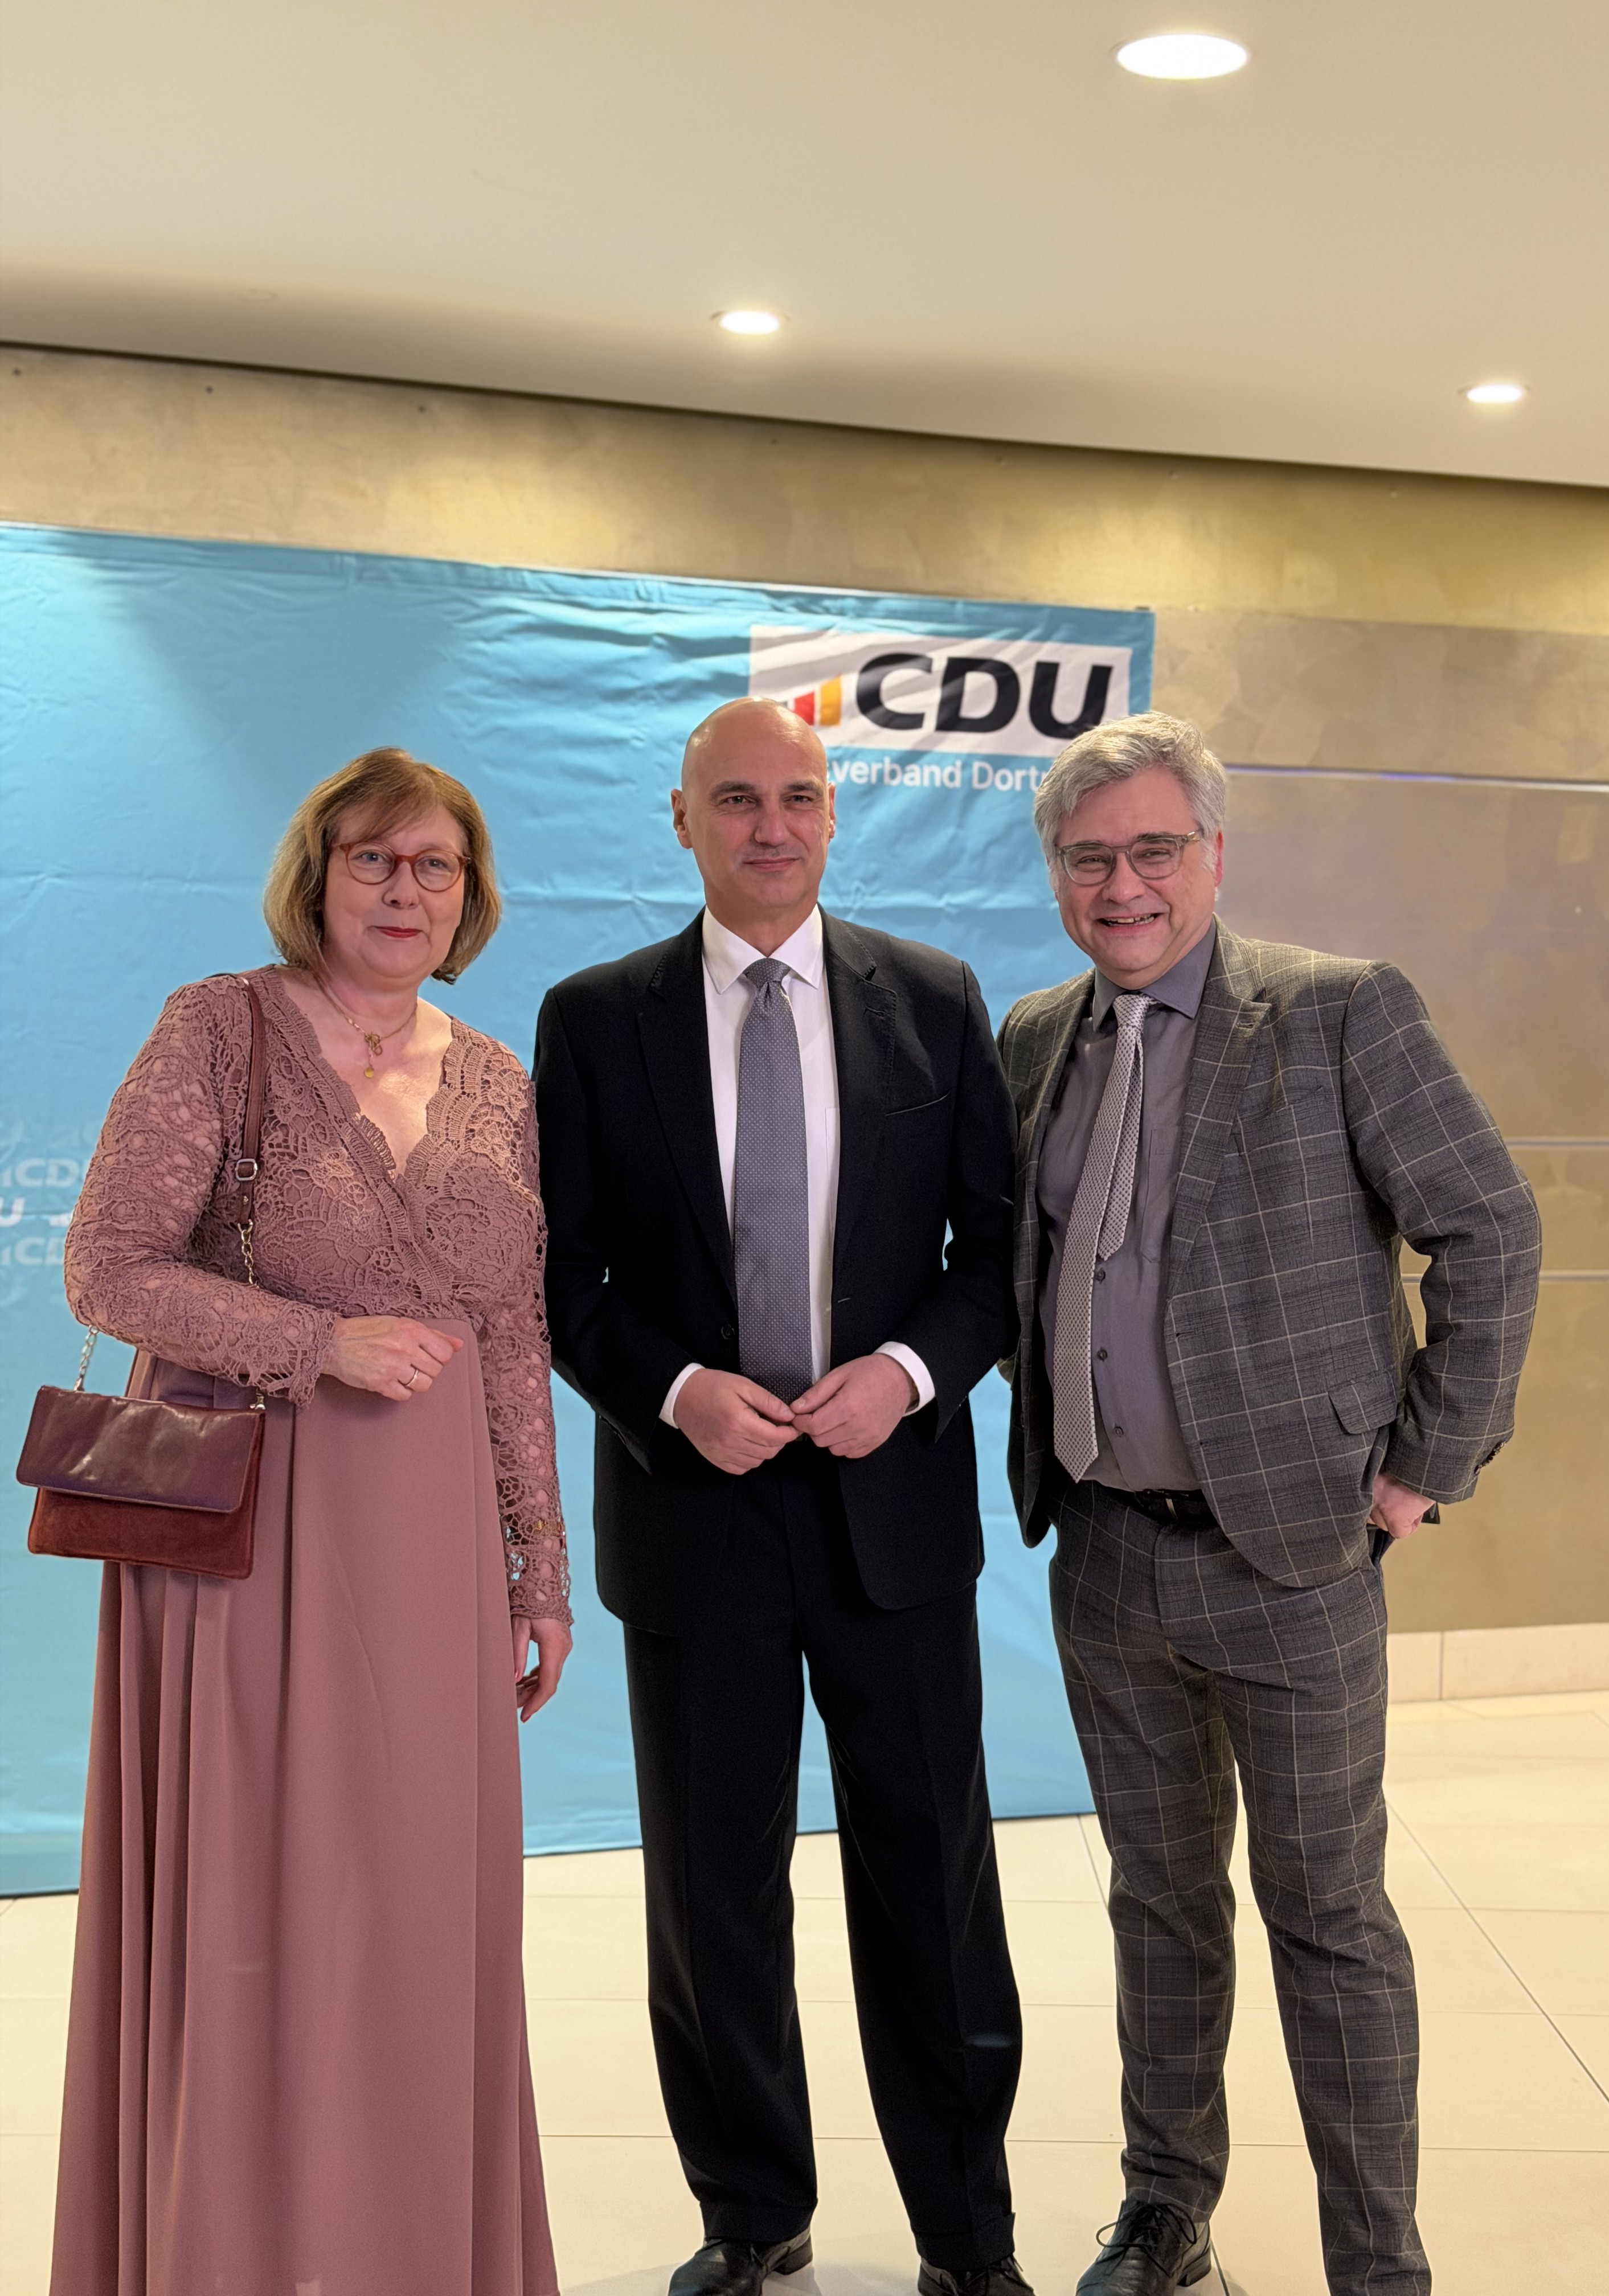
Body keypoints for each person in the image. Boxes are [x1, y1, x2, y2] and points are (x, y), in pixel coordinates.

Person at [996, 712, 1540, 2296]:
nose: (1123, 885)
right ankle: (1168, 2209)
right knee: (1158, 1904)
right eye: (1089, 858)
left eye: (1155, 850)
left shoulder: (1337, 1012)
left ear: (1215, 855)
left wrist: (1427, 1463)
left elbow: (1491, 1229)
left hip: (1293, 1559)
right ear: (1056, 876)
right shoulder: (1037, 1036)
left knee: (1328, 1916)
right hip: (1105, 1555)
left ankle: (1377, 2259)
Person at [51, 747, 570, 2296]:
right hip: (252, 1536)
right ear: (318, 875)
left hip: (432, 1552)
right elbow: (107, 1267)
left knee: (416, 1906)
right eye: (373, 860)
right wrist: (313, 1342)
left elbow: (515, 1339)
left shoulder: (497, 1079)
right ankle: (240, 2251)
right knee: (260, 1901)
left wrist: (540, 1566)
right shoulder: (219, 1029)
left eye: (436, 867)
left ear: (469, 896)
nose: (405, 891)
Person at [534, 697, 1028, 2296]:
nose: (772, 826)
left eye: (800, 797)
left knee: (934, 1889)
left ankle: (969, 2238)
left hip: (893, 1516)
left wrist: (911, 1371)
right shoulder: (593, 1019)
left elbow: (993, 1258)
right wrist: (677, 1391)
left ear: (833, 816)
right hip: (693, 1515)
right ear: (681, 820)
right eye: (737, 800)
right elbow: (563, 1276)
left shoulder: (934, 999)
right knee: (712, 1896)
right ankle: (753, 2218)